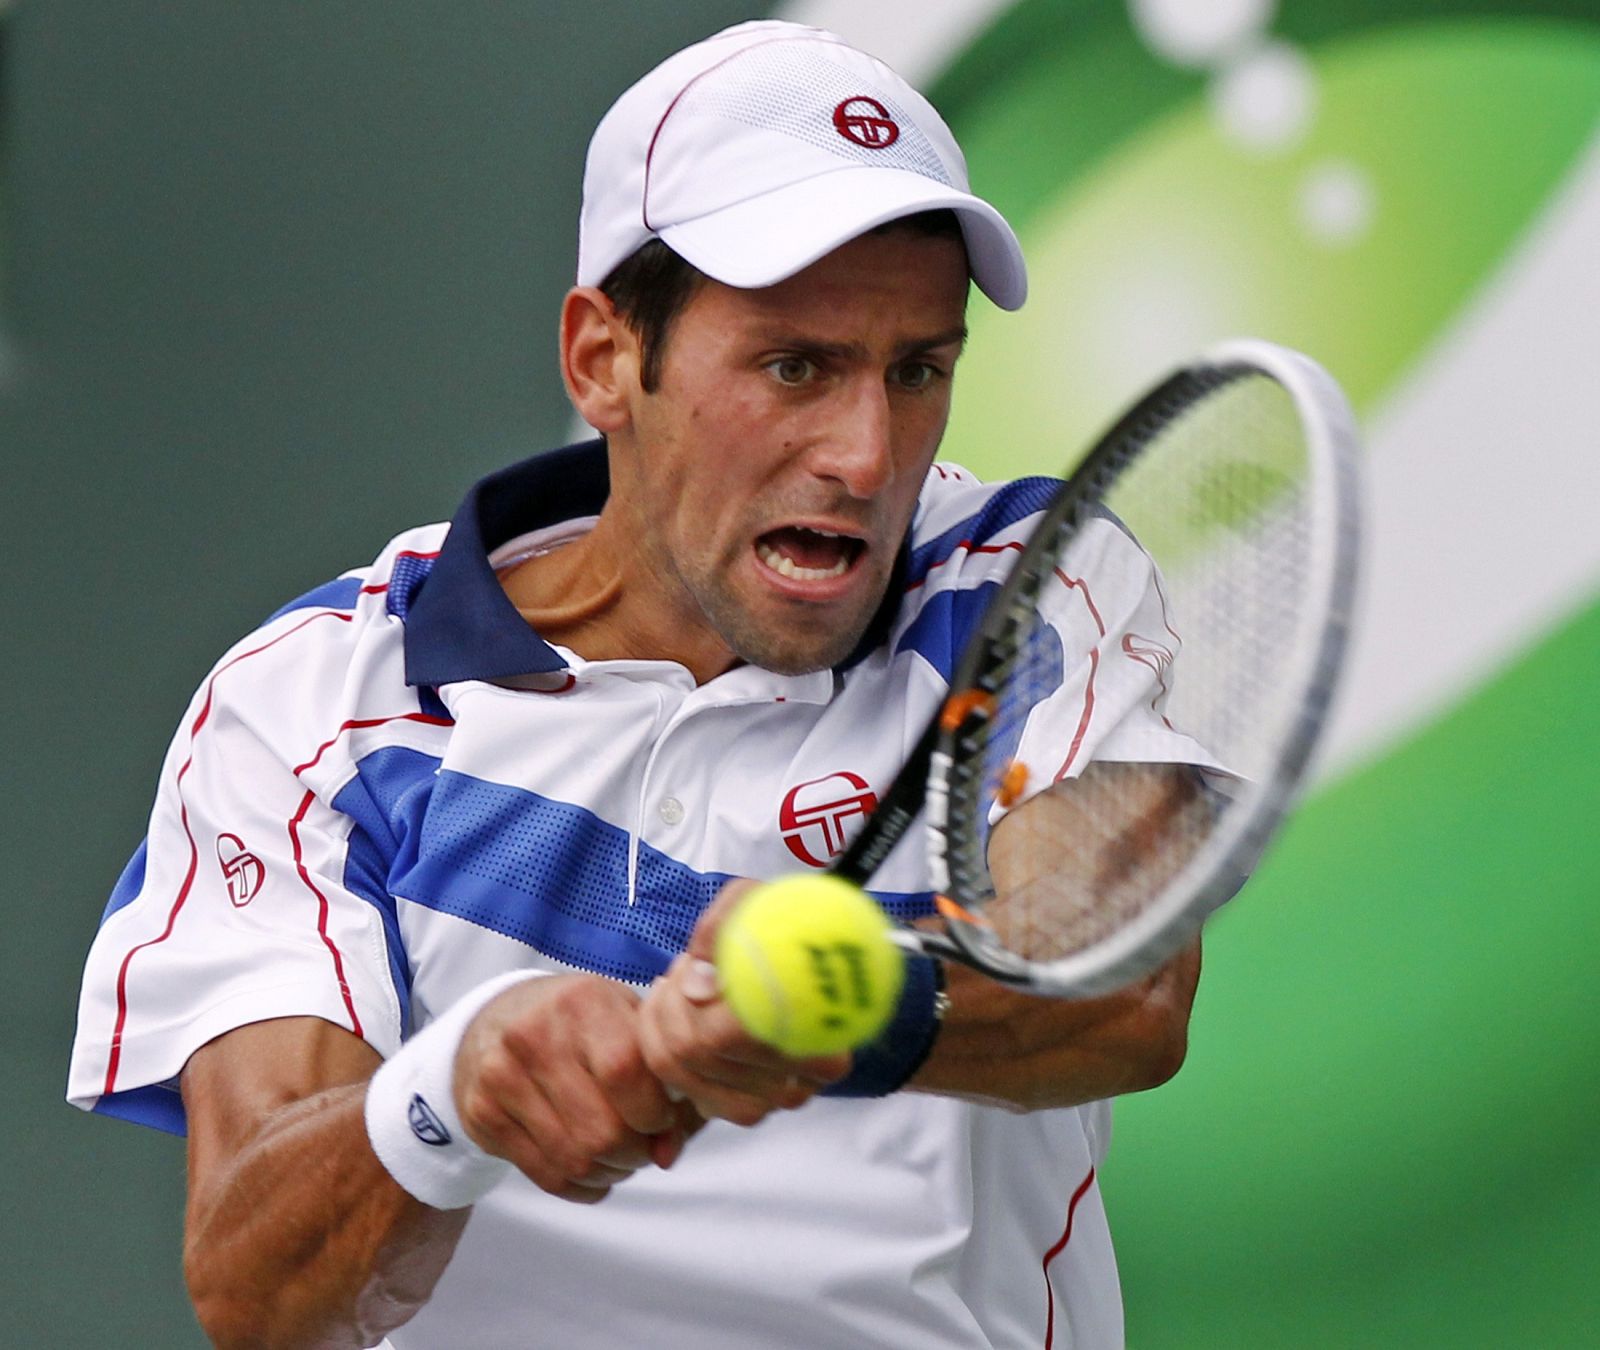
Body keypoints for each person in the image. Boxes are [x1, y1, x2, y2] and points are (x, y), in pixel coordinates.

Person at [68, 20, 1205, 1349]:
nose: (865, 450)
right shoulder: (310, 704)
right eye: (797, 366)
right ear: (604, 357)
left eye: (918, 368)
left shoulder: (1030, 586)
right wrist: (456, 1097)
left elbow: (1120, 990)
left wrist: (821, 1001)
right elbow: (257, 1290)